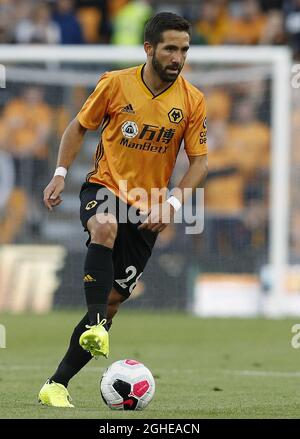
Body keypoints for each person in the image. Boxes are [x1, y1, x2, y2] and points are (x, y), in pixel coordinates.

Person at [38, 11, 208, 407]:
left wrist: (172, 203)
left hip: (148, 209)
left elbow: (199, 161)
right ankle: (96, 324)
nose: (177, 58)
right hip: (105, 187)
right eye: (169, 48)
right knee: (104, 225)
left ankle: (55, 384)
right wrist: (61, 173)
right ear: (149, 48)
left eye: (183, 50)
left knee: (113, 301)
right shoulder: (115, 84)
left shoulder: (192, 100)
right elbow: (79, 126)